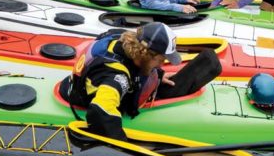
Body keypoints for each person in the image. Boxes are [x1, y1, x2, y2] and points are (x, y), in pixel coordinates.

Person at [63, 22, 221, 140]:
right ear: (146, 54)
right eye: (160, 60)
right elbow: (99, 112)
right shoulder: (117, 78)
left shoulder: (122, 39)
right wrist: (123, 147)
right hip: (85, 102)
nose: (161, 64)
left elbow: (143, 65)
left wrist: (157, 74)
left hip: (85, 84)